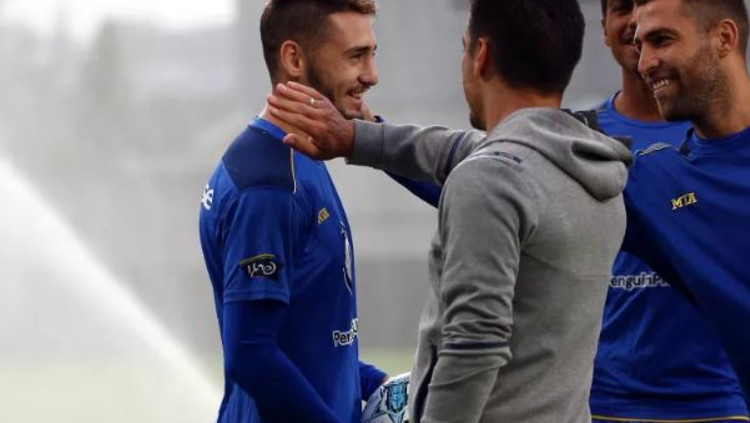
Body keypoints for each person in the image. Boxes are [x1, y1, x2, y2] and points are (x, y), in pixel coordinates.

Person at [267, 0, 632, 421]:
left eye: (464, 47)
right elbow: (455, 150)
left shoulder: (491, 179)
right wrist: (356, 137)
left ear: (482, 55)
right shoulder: (588, 167)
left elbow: (474, 344)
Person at [198, 1, 387, 422]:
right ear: (294, 59)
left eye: (372, 54)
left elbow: (309, 342)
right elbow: (252, 354)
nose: (371, 75)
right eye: (355, 56)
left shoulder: (301, 157)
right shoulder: (267, 186)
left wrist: (380, 384)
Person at [591, 1, 749, 422]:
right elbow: (509, 177)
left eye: (661, 40)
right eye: (641, 44)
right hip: (608, 404)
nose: (644, 63)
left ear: (724, 38)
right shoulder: (656, 180)